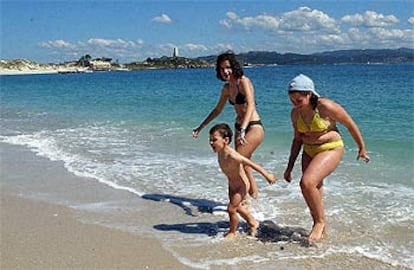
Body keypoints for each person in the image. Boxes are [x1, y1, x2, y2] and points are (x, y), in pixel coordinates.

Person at [283, 74, 370, 243]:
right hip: (309, 151)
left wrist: (361, 148)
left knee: (306, 183)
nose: (295, 104)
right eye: (292, 100)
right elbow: (297, 139)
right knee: (313, 191)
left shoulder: (326, 107)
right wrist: (289, 166)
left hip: (330, 148)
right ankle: (323, 233)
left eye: (299, 100)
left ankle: (319, 223)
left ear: (310, 94)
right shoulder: (295, 114)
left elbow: (350, 124)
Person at [193, 51, 264, 199]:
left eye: (227, 67)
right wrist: (201, 127)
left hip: (253, 126)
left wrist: (244, 129)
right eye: (221, 68)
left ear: (234, 67)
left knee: (237, 162)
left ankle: (242, 202)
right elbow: (217, 110)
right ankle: (255, 198)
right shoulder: (226, 88)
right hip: (239, 128)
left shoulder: (243, 81)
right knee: (244, 163)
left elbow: (250, 105)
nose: (225, 71)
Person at [209, 123, 276, 238]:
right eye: (210, 140)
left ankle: (232, 232)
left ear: (226, 140)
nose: (211, 143)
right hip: (232, 184)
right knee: (237, 208)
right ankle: (253, 222)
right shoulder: (220, 152)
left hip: (241, 186)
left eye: (214, 140)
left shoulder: (233, 155)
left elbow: (251, 164)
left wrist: (267, 175)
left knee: (231, 209)